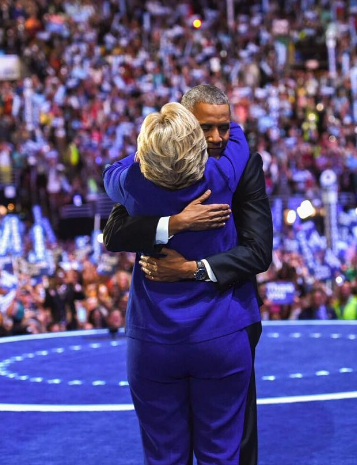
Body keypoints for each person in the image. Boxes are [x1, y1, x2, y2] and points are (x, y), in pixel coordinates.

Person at [103, 85, 272, 465]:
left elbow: (260, 252)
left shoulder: (135, 179)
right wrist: (176, 222)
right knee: (222, 451)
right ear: (184, 125)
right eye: (205, 128)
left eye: (224, 128)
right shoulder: (225, 171)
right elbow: (114, 234)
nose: (217, 138)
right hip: (221, 330)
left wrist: (189, 267)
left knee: (165, 454)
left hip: (158, 334)